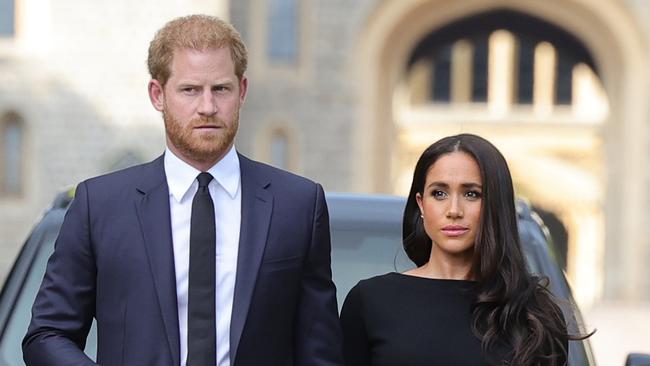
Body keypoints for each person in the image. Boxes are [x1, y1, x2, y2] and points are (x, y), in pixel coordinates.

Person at [23, 15, 343, 366]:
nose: (207, 107)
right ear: (158, 94)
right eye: (190, 90)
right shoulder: (99, 206)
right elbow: (48, 334)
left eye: (221, 89)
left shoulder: (297, 205)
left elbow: (320, 351)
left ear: (243, 91)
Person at [340, 134, 575, 365]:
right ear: (421, 204)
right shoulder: (370, 301)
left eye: (471, 194)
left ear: (495, 205)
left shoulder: (533, 312)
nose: (454, 210)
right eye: (439, 193)